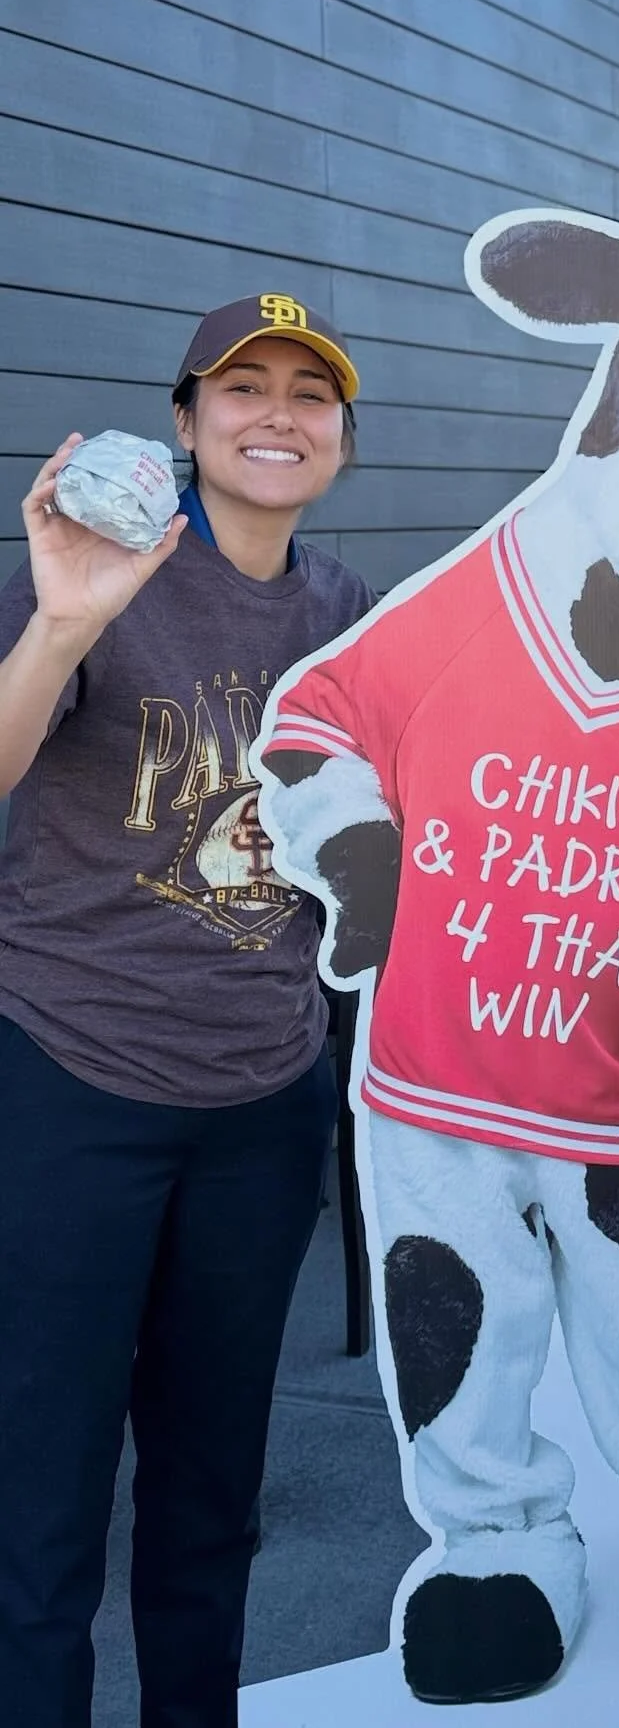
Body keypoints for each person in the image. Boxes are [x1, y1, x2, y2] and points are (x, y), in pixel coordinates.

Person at [0, 294, 373, 1728]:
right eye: (244, 388)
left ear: (340, 437)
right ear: (184, 419)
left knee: (211, 1504)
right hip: (68, 1089)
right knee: (41, 1514)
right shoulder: (96, 568)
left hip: (261, 1109)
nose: (277, 413)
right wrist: (59, 620)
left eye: (311, 394)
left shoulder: (348, 617)